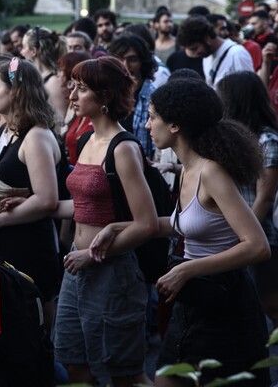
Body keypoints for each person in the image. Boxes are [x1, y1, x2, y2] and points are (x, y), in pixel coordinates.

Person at [97, 78, 270, 386]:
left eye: (152, 117)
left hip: (225, 303)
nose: (147, 125)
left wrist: (188, 269)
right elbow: (183, 224)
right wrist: (116, 226)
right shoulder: (187, 168)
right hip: (193, 301)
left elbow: (257, 246)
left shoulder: (210, 171)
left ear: (175, 124)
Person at [53, 56, 157, 386]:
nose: (72, 95)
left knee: (124, 373)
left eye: (81, 89)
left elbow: (147, 223)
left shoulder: (123, 147)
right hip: (76, 269)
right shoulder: (85, 141)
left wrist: (93, 254)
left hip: (112, 274)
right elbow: (85, 206)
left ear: (105, 96)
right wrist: (33, 205)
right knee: (74, 364)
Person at [0, 57, 61, 330]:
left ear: (16, 92)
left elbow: (47, 199)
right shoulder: (7, 130)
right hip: (8, 247)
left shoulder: (36, 136)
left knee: (31, 333)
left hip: (29, 249)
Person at [217, 71, 278, 329]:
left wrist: (243, 232)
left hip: (261, 233)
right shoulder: (237, 138)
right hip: (241, 232)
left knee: (270, 302)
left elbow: (265, 198)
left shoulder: (267, 140)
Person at [109, 34, 157, 159]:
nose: (125, 65)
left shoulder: (153, 96)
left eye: (132, 60)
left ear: (143, 62)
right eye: (120, 59)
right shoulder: (109, 93)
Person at [177, 16, 253, 88]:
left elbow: (249, 90)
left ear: (206, 38)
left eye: (195, 48)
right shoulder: (206, 57)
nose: (195, 54)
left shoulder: (237, 54)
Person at [20, 27, 68, 130]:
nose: (21, 52)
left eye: (24, 47)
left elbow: (61, 122)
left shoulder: (53, 82)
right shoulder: (38, 78)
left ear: (33, 51)